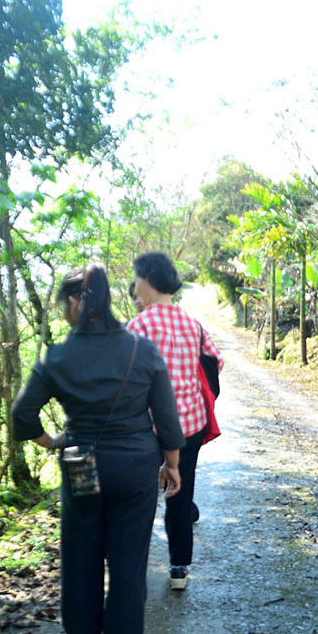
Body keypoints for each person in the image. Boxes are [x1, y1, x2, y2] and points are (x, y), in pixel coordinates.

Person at [12, 263, 184, 634]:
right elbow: (168, 419)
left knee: (81, 560)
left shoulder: (57, 357)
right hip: (136, 470)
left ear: (75, 301)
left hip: (81, 468)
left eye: (63, 304)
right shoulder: (142, 348)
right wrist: (171, 464)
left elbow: (22, 414)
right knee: (128, 562)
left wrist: (51, 442)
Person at [127, 251, 223, 590]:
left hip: (148, 428)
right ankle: (179, 568)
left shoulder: (138, 326)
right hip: (190, 425)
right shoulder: (192, 324)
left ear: (148, 279)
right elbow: (215, 360)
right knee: (181, 494)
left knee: (139, 499)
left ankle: (132, 570)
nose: (135, 286)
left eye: (136, 279)